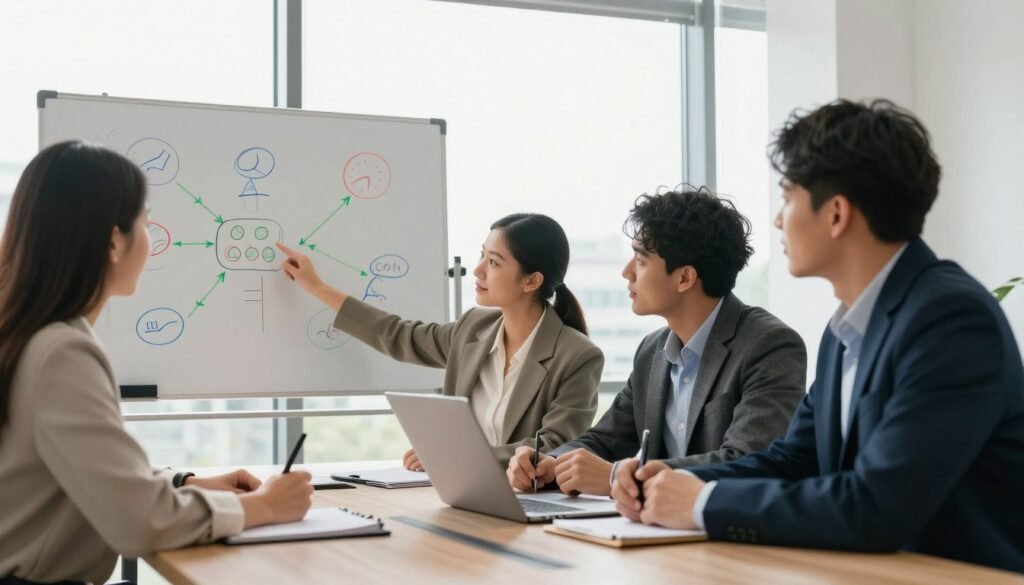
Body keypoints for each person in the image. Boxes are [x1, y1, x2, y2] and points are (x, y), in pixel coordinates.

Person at [611, 100, 1024, 573]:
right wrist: (668, 478)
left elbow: (877, 505)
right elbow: (792, 460)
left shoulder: (949, 319)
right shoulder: (844, 330)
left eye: (787, 198)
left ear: (836, 215)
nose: (778, 220)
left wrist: (703, 504)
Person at [0, 141, 314, 585]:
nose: (150, 240)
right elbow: (138, 523)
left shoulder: (27, 333)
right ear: (114, 242)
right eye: (145, 225)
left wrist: (182, 483)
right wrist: (263, 507)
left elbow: (82, 466)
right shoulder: (61, 351)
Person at [507, 188, 806, 496]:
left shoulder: (769, 345)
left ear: (685, 278)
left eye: (641, 259)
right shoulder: (652, 351)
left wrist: (619, 477)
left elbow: (749, 460)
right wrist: (547, 463)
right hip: (658, 528)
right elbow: (605, 440)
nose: (626, 272)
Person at [277, 213, 603, 467]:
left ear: (532, 281)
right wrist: (317, 288)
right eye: (482, 255)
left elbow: (555, 447)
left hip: (529, 507)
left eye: (493, 262)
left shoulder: (577, 355)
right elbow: (399, 335)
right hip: (463, 497)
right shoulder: (474, 328)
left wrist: (453, 460)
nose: (477, 271)